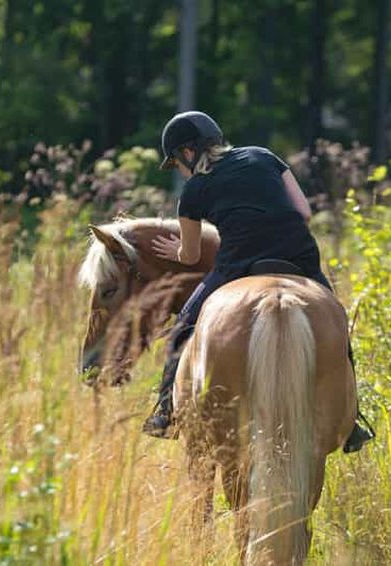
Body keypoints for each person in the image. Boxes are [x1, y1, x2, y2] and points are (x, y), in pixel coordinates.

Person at [142, 110, 373, 453]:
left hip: (238, 265)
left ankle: (165, 411)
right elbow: (305, 214)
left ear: (187, 153)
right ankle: (352, 417)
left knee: (182, 328)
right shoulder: (264, 156)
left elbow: (190, 257)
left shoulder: (193, 190)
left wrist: (176, 250)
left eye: (176, 162)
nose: (179, 168)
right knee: (335, 321)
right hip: (299, 257)